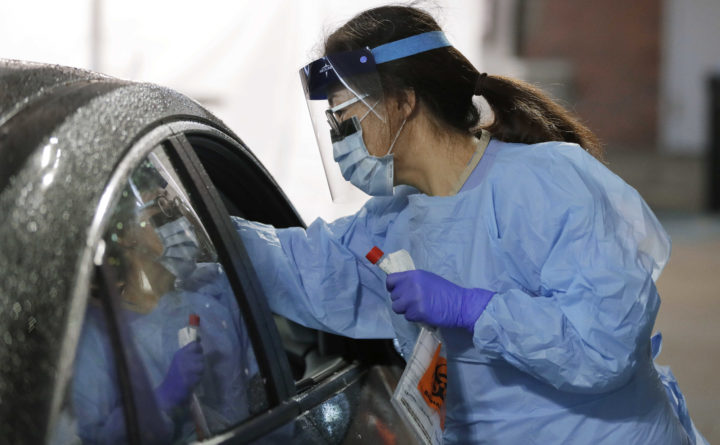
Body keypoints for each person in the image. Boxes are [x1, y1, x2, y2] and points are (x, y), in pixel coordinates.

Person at [233, 5, 708, 445]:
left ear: (402, 103)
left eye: (344, 117)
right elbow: (304, 269)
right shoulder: (394, 221)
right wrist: (202, 238)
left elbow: (604, 345)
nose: (339, 140)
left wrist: (474, 309)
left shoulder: (548, 184)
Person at [72, 162, 258, 444]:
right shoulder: (99, 340)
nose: (180, 224)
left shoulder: (215, 290)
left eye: (175, 208)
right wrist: (163, 397)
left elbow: (260, 392)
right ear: (125, 234)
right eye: (161, 211)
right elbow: (93, 438)